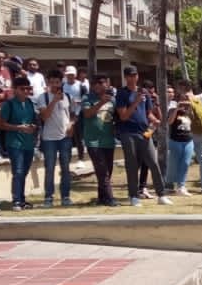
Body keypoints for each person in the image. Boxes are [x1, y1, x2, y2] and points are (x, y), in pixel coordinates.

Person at [115, 67, 170, 206]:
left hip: (145, 133)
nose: (133, 78)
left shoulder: (144, 92)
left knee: (153, 162)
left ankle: (161, 194)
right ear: (126, 77)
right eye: (130, 76)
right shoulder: (121, 93)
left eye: (135, 75)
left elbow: (148, 113)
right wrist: (136, 101)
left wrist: (155, 120)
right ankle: (134, 196)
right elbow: (123, 116)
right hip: (128, 133)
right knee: (132, 165)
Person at [0, 75, 40, 209]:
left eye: (28, 89)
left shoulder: (31, 103)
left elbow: (35, 121)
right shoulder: (8, 104)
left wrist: (33, 127)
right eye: (23, 89)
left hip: (28, 143)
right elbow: (1, 124)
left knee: (24, 172)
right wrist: (18, 127)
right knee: (18, 171)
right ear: (15, 90)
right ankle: (16, 200)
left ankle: (22, 199)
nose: (26, 91)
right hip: (14, 143)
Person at [37, 70, 76, 206]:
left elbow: (72, 114)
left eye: (57, 82)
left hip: (65, 137)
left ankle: (65, 196)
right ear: (48, 82)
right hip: (49, 138)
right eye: (52, 82)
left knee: (65, 168)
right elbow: (44, 116)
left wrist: (71, 125)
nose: (55, 85)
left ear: (61, 82)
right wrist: (54, 100)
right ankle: (49, 197)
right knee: (50, 168)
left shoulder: (68, 97)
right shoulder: (43, 97)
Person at [81, 74, 120, 206]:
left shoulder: (113, 100)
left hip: (108, 140)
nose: (97, 85)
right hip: (93, 140)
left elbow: (117, 117)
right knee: (102, 170)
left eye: (101, 82)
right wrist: (102, 102)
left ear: (107, 84)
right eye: (94, 83)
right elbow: (87, 114)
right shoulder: (87, 98)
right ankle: (109, 199)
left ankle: (101, 198)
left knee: (107, 171)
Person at [166, 87, 200, 195]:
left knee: (185, 163)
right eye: (182, 99)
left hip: (188, 140)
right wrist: (176, 109)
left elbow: (195, 121)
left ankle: (181, 185)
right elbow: (170, 122)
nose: (184, 102)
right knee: (173, 163)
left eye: (186, 99)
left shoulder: (190, 111)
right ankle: (169, 184)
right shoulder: (172, 110)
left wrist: (192, 106)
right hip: (175, 140)